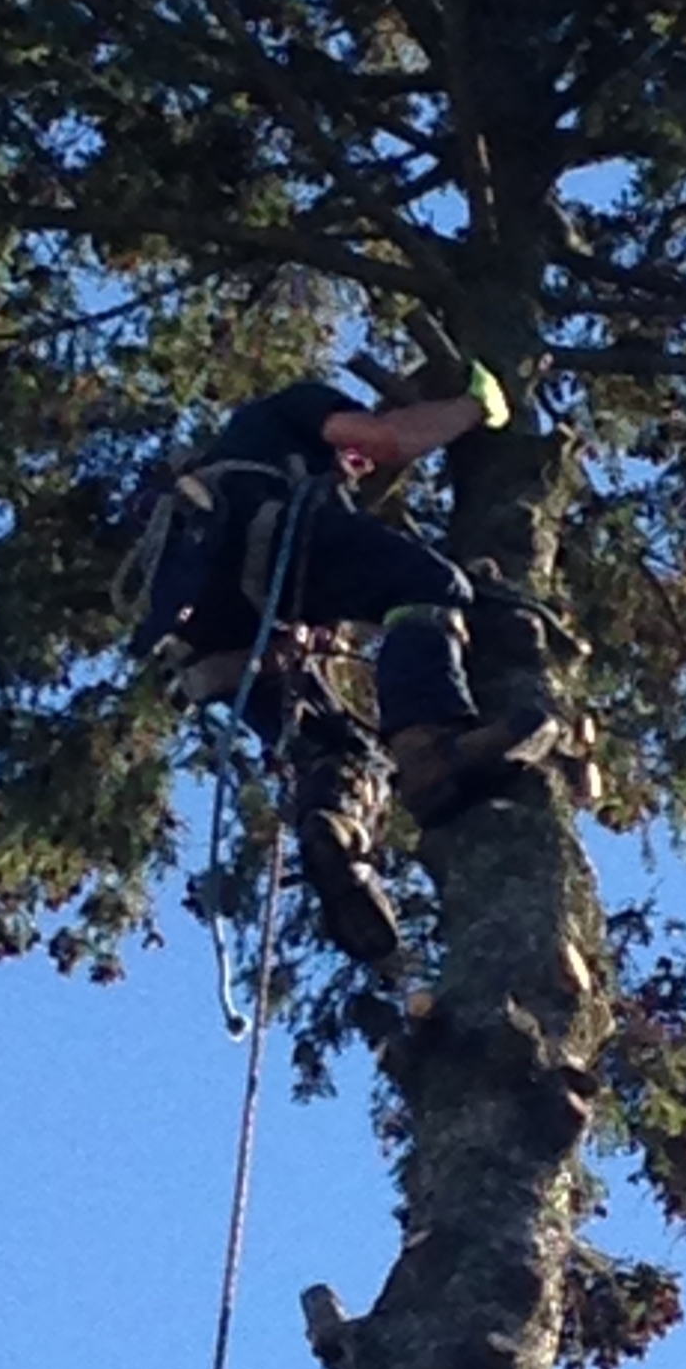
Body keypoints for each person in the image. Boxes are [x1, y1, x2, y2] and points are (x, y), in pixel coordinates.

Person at [118, 369, 562, 966]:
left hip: (202, 631)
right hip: (260, 535)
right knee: (428, 586)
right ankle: (428, 742)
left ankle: (337, 834)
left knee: (334, 747)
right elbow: (383, 439)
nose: (359, 468)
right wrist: (474, 406)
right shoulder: (291, 408)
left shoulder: (208, 496)